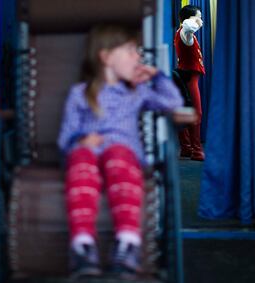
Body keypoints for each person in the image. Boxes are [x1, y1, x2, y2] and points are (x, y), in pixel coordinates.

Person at [57, 25, 185, 278]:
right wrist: (81, 140)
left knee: (117, 153)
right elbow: (64, 138)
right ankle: (82, 246)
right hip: (89, 154)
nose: (138, 57)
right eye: (130, 51)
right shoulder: (80, 94)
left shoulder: (136, 93)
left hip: (123, 154)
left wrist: (157, 76)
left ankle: (128, 243)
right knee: (81, 157)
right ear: (106, 57)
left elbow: (174, 103)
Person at [174, 5, 206, 161]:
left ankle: (186, 148)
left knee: (186, 112)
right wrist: (194, 21)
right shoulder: (186, 32)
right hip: (189, 78)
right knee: (196, 113)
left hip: (187, 77)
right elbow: (188, 25)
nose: (201, 20)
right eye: (198, 16)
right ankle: (196, 150)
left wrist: (195, 20)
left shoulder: (185, 35)